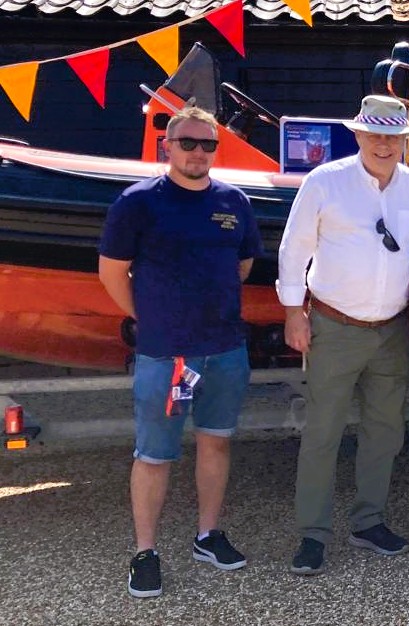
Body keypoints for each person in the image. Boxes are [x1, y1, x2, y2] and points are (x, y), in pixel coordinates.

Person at [98, 105, 262, 598]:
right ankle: (145, 552)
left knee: (216, 441)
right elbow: (111, 272)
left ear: (217, 148)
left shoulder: (234, 201)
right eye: (187, 142)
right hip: (167, 355)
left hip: (224, 350)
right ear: (167, 145)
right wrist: (150, 315)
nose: (197, 152)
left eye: (207, 144)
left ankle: (207, 536)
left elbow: (244, 263)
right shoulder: (138, 202)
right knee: (154, 454)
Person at [277, 95, 409, 574]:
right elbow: (294, 246)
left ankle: (369, 522)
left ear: (406, 142)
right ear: (359, 136)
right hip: (334, 325)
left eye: (394, 137)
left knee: (385, 433)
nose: (384, 145)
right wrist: (292, 312)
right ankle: (312, 534)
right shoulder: (325, 182)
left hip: (393, 329)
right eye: (375, 135)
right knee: (322, 432)